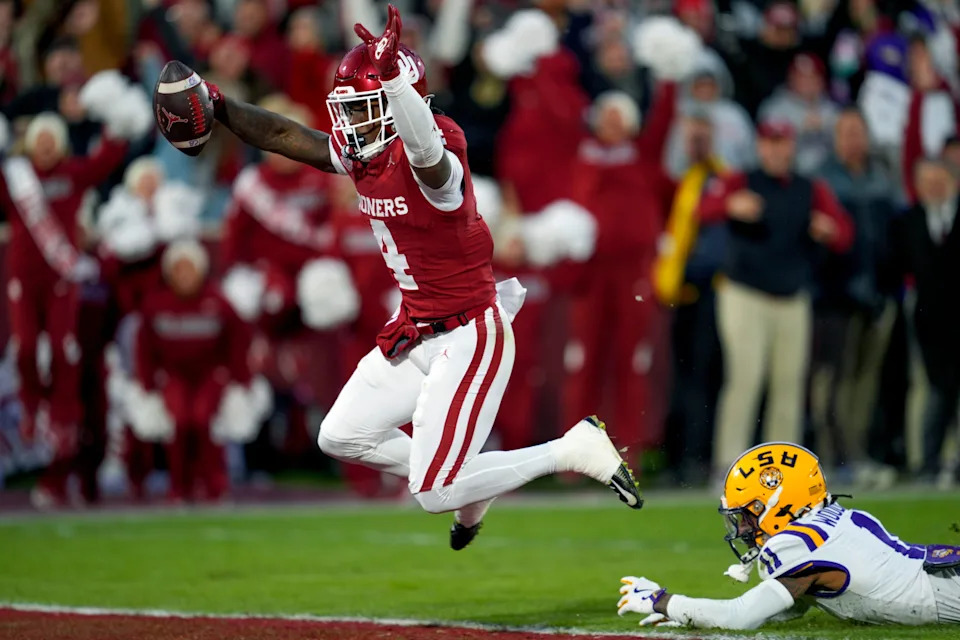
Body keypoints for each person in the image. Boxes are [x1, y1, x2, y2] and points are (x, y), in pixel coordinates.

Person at [175, 4, 642, 549]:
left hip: (469, 332)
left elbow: (426, 153)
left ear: (400, 101)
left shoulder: (438, 152)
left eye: (362, 107)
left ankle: (569, 449)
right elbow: (283, 133)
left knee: (433, 492)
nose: (351, 122)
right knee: (341, 435)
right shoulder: (367, 153)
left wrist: (394, 81)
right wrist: (220, 105)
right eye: (349, 109)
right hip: (416, 328)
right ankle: (471, 484)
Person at [616, 442, 960, 629]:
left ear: (778, 504)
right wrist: (690, 614)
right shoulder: (831, 519)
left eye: (748, 514)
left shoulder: (797, 544)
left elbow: (740, 616)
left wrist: (662, 600)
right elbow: (788, 607)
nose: (743, 528)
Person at [699, 118, 854, 476]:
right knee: (746, 378)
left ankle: (782, 471)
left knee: (788, 384)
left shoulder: (809, 188)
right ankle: (729, 466)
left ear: (792, 146)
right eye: (769, 142)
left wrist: (829, 231)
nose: (775, 149)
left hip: (791, 297)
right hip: (744, 293)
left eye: (781, 142)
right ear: (759, 146)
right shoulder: (741, 180)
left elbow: (845, 233)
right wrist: (729, 205)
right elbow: (702, 210)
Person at [891, 158, 960, 484]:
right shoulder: (908, 221)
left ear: (953, 183)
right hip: (927, 321)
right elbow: (896, 267)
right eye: (927, 182)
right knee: (932, 390)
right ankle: (926, 461)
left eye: (940, 180)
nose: (934, 187)